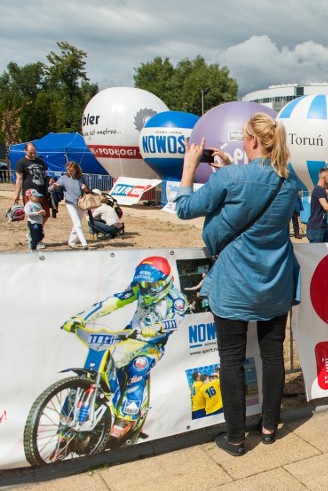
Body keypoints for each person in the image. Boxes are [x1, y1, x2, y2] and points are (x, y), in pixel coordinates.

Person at [175, 113, 301, 457]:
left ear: (254, 142)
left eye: (245, 138)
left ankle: (235, 439)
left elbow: (185, 208)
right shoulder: (289, 182)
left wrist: (189, 168)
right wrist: (229, 169)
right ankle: (270, 427)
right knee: (273, 355)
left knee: (230, 360)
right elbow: (261, 195)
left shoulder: (233, 177)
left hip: (234, 283)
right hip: (275, 281)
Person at [61, 256, 187, 438]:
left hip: (152, 344)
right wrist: (81, 317)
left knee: (139, 367)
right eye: (144, 284)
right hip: (130, 337)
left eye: (152, 285)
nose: (148, 289)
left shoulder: (177, 299)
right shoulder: (139, 288)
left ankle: (128, 416)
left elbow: (175, 320)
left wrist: (159, 327)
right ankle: (76, 413)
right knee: (102, 366)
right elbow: (114, 301)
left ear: (166, 281)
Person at [50, 161, 90, 249]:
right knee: (77, 224)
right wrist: (54, 185)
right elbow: (51, 189)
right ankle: (84, 243)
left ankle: (71, 242)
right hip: (70, 203)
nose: (69, 172)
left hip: (81, 203)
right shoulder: (64, 178)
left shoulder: (81, 178)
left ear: (76, 170)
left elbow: (88, 191)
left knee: (77, 223)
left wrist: (85, 188)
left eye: (71, 170)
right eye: (68, 170)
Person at [14, 142, 51, 222]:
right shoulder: (21, 162)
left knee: (45, 214)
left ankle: (36, 231)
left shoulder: (41, 162)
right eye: (31, 153)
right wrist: (17, 195)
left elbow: (45, 176)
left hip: (42, 193)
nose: (33, 155)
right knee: (33, 214)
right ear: (25, 151)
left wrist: (50, 182)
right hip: (29, 194)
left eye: (34, 152)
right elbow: (19, 179)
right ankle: (34, 232)